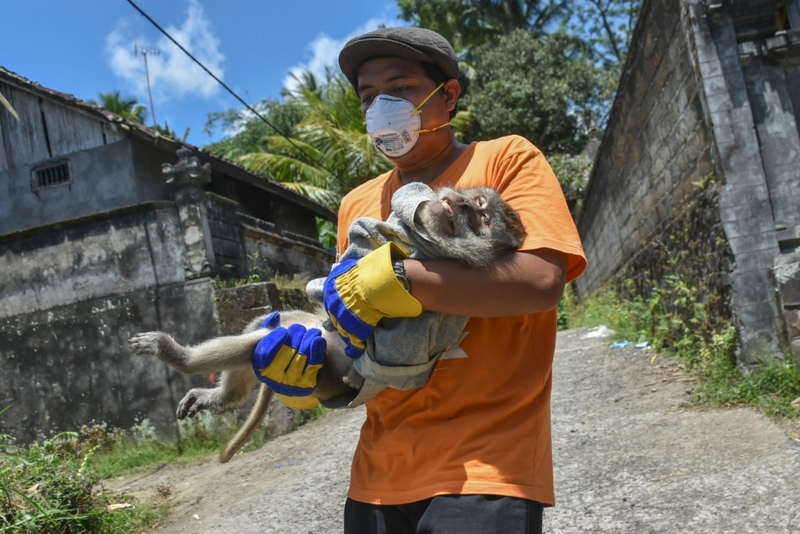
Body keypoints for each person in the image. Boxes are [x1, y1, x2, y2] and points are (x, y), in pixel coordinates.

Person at [252, 26, 587, 533]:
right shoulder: (357, 205)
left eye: (401, 87)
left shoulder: (505, 160)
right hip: (377, 478)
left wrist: (403, 277)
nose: (381, 105)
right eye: (369, 96)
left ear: (447, 96)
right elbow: (362, 346)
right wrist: (312, 379)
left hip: (487, 470)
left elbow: (540, 281)